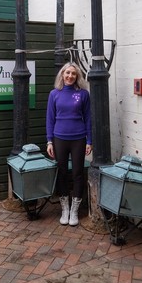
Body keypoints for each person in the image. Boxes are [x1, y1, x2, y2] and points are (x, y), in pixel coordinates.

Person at [46, 62, 92, 226]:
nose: (70, 76)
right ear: (62, 75)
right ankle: (65, 208)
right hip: (59, 138)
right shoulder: (54, 94)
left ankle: (74, 211)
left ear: (77, 76)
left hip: (78, 138)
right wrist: (49, 140)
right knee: (62, 172)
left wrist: (89, 140)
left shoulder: (83, 94)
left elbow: (88, 118)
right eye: (67, 73)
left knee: (78, 173)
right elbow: (50, 119)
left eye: (73, 74)